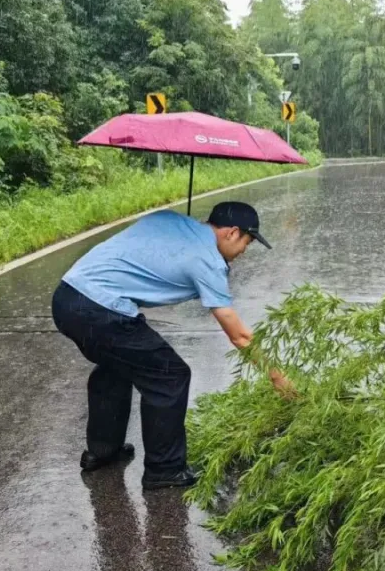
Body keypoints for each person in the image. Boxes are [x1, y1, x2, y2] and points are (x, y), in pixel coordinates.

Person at [50, 201, 294, 490]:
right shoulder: (207, 261)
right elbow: (239, 336)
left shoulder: (168, 219)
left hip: (67, 298)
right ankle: (164, 470)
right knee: (170, 375)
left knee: (117, 364)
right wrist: (277, 376)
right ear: (232, 233)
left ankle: (102, 452)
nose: (244, 252)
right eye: (247, 242)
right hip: (99, 311)